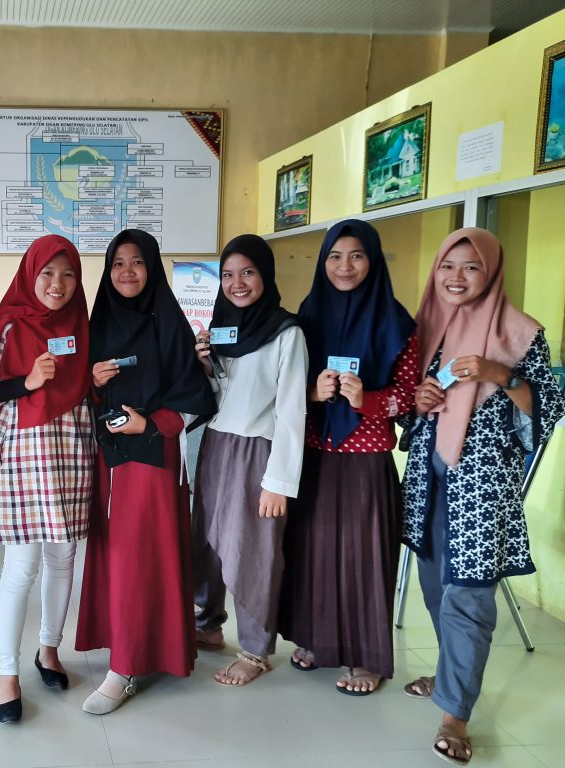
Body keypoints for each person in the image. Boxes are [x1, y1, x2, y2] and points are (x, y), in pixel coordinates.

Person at [401, 228, 564, 766]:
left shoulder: (521, 333)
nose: (456, 277)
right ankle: (449, 675)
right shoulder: (427, 327)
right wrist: (418, 401)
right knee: (433, 586)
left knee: (468, 595)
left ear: (491, 272)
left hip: (482, 484)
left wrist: (501, 374)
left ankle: (456, 713)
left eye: (471, 266)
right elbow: (405, 404)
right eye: (448, 265)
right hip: (429, 479)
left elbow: (548, 408)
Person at [75, 229, 216, 715]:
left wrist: (151, 425)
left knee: (140, 556)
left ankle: (127, 666)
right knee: (118, 556)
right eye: (118, 263)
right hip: (110, 459)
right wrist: (92, 381)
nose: (127, 272)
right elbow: (79, 393)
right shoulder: (97, 323)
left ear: (152, 267)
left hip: (154, 459)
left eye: (136, 262)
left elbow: (195, 396)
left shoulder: (169, 324)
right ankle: (131, 643)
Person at [278, 218, 418, 696]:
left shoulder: (397, 323)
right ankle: (319, 641)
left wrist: (368, 400)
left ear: (373, 260)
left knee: (364, 557)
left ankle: (365, 658)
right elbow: (285, 382)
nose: (344, 266)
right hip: (315, 452)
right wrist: (311, 392)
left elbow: (410, 397)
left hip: (365, 460)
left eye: (356, 256)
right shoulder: (308, 314)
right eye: (335, 256)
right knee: (314, 550)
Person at [0, 235, 95, 723]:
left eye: (68, 274)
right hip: (26, 452)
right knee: (21, 565)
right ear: (31, 273)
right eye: (48, 272)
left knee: (63, 558)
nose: (58, 284)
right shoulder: (10, 323)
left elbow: (89, 385)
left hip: (73, 450)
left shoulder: (82, 323)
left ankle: (49, 649)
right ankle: (6, 675)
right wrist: (27, 381)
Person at [191, 234, 307, 686]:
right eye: (227, 274)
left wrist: (278, 482)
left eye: (247, 272)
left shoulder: (286, 332)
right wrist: (206, 368)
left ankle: (256, 650)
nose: (236, 283)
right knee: (206, 542)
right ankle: (208, 624)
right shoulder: (222, 327)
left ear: (265, 275)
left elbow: (292, 410)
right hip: (216, 445)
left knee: (251, 550)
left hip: (257, 450)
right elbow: (221, 398)